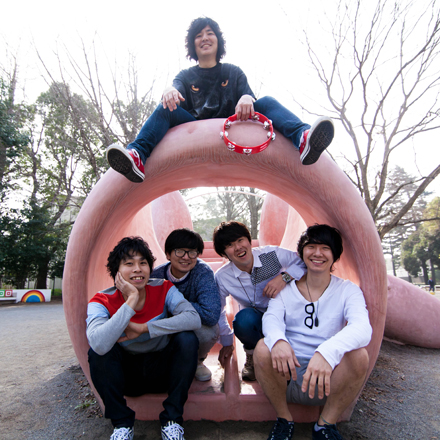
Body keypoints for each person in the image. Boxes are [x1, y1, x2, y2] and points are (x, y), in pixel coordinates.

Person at [106, 17, 334, 183]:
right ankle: (137, 155)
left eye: (209, 33)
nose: (204, 38)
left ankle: (303, 138)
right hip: (194, 129)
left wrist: (247, 97)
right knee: (165, 108)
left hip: (234, 124)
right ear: (193, 44)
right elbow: (175, 91)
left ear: (218, 40)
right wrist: (169, 90)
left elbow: (249, 97)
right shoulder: (185, 76)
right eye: (198, 35)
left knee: (266, 101)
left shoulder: (233, 72)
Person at [253, 224, 372, 440]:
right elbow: (272, 319)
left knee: (359, 355)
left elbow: (362, 328)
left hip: (330, 379)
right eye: (311, 247)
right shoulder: (286, 290)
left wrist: (326, 353)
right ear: (302, 252)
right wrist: (279, 341)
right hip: (287, 373)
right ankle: (284, 420)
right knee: (263, 347)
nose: (317, 253)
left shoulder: (347, 290)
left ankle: (325, 425)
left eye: (325, 248)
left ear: (335, 255)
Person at [86, 236, 201, 440]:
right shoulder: (101, 300)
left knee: (187, 339)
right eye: (129, 264)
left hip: (163, 371)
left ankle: (172, 421)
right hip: (127, 376)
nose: (137, 269)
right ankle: (122, 425)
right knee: (98, 352)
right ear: (116, 271)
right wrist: (131, 300)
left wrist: (144, 328)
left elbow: (193, 318)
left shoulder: (164, 288)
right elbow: (98, 344)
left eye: (143, 263)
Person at [213, 221, 307, 381]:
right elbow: (219, 310)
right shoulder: (223, 276)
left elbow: (304, 263)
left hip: (284, 314)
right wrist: (227, 341)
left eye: (240, 240)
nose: (238, 247)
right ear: (224, 253)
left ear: (249, 240)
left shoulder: (271, 254)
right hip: (255, 320)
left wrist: (284, 277)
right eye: (230, 245)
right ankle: (253, 356)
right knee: (243, 320)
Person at [151, 228, 221, 381]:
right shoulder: (156, 276)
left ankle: (197, 361)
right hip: (165, 324)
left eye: (192, 252)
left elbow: (211, 315)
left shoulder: (202, 273)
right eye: (179, 251)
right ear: (168, 254)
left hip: (191, 325)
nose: (186, 257)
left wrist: (175, 304)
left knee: (209, 331)